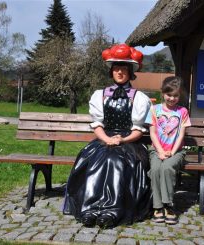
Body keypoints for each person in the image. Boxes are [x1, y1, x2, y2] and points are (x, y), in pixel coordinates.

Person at [63, 44, 152, 229]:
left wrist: (122, 140)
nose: (120, 72)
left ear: (130, 72)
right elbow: (97, 125)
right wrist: (106, 139)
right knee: (95, 159)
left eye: (124, 69)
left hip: (130, 141)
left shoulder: (139, 97)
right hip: (104, 138)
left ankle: (113, 211)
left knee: (116, 161)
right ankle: (90, 210)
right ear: (112, 71)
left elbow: (138, 130)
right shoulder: (100, 95)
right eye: (117, 69)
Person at [145, 76, 191, 225]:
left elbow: (181, 135)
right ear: (163, 93)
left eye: (175, 95)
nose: (172, 98)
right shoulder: (154, 110)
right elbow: (152, 133)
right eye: (169, 95)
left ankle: (169, 205)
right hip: (156, 149)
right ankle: (157, 206)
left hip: (176, 151)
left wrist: (172, 151)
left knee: (167, 168)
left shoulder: (183, 111)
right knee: (156, 168)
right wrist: (159, 151)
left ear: (180, 95)